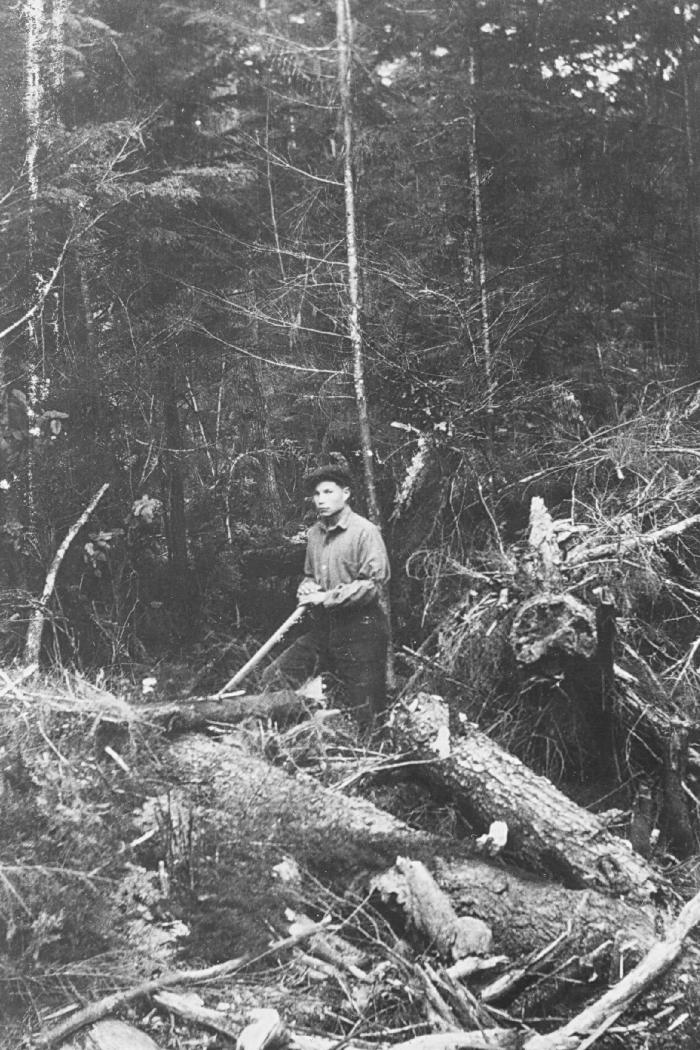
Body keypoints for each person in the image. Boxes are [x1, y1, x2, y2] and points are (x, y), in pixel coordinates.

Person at [261, 464, 390, 729]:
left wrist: (326, 597)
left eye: (328, 492)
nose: (320, 499)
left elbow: (372, 585)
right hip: (325, 628)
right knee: (275, 677)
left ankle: (373, 757)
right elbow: (310, 575)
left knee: (365, 710)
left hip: (361, 629)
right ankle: (298, 738)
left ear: (346, 494)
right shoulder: (314, 534)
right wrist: (306, 588)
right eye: (317, 494)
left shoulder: (364, 531)